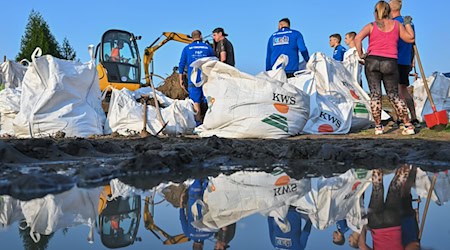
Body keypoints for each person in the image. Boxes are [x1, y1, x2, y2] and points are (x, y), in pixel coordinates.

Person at [355, 0, 415, 135]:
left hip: (372, 61)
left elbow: (357, 39)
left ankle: (378, 127)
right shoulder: (397, 25)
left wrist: (361, 55)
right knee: (394, 95)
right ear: (389, 11)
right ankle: (408, 124)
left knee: (375, 95)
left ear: (376, 12)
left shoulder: (371, 26)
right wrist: (407, 23)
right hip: (390, 61)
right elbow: (410, 39)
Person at [357, 165, 416, 250]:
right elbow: (361, 245)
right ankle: (376, 163)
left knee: (395, 188)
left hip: (393, 223)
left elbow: (412, 245)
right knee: (377, 189)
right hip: (376, 224)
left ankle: (405, 165)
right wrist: (364, 226)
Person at [389, 0, 421, 128]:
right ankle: (413, 117)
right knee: (404, 89)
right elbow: (413, 42)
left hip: (395, 59)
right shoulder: (408, 22)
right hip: (406, 60)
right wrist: (411, 59)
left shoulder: (393, 24)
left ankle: (400, 117)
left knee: (395, 90)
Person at [178, 30, 214, 126]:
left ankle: (198, 124)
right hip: (207, 78)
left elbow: (181, 64)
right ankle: (210, 122)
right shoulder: (208, 47)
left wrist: (181, 79)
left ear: (192, 38)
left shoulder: (187, 49)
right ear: (201, 36)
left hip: (193, 79)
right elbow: (214, 61)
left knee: (195, 102)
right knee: (210, 100)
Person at [179, 179, 214, 250]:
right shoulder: (188, 233)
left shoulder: (210, 234)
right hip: (193, 198)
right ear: (193, 245)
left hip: (207, 198)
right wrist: (181, 202)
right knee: (195, 175)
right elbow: (182, 218)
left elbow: (215, 216)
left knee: (209, 176)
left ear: (202, 247)